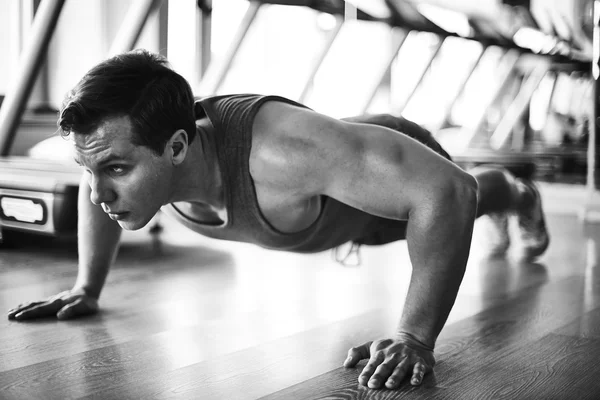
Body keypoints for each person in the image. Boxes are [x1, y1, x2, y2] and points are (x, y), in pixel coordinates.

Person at [7, 50, 549, 390]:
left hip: (387, 172)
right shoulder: (125, 153)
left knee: (472, 195)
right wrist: (87, 285)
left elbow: (447, 191)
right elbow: (93, 181)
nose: (100, 189)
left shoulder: (280, 152)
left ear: (176, 147)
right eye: (90, 168)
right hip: (334, 215)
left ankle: (517, 193)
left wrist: (414, 337)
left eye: (116, 170)